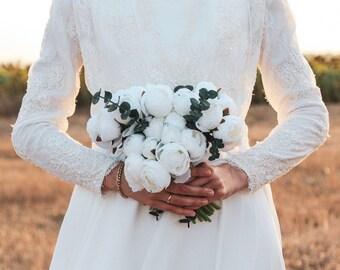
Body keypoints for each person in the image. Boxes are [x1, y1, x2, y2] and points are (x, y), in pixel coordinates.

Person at [12, 0, 329, 269]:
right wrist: (115, 176)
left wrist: (240, 172)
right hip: (116, 228)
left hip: (229, 223)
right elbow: (32, 127)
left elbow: (309, 113)